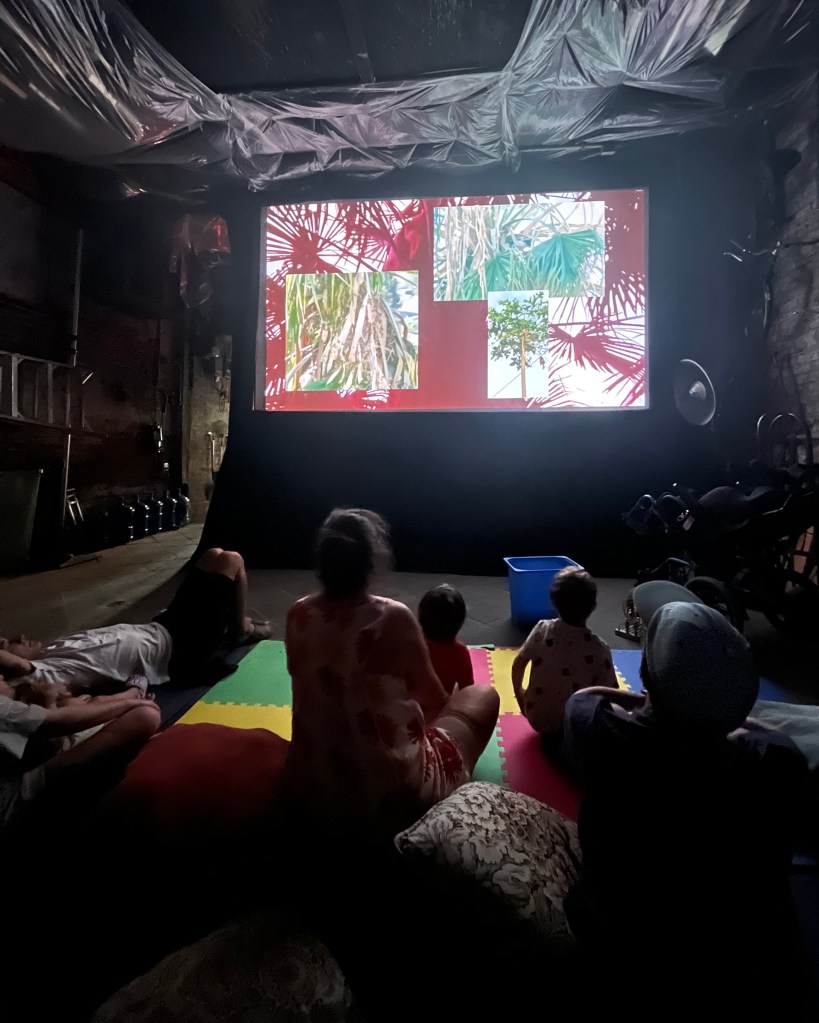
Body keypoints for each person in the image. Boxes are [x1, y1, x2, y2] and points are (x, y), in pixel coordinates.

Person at [562, 602, 810, 1012]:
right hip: (745, 968)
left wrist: (646, 701)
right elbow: (770, 736)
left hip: (623, 945)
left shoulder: (604, 734)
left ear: (647, 681)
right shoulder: (775, 763)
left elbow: (582, 697)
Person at [285, 508, 499, 834]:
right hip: (395, 801)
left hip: (312, 791)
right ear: (371, 561)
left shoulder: (298, 613)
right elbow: (435, 700)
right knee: (482, 695)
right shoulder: (391, 617)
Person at [0, 547, 269, 693]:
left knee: (213, 555)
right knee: (232, 561)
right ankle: (240, 629)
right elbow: (21, 670)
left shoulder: (53, 648)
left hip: (162, 626)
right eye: (10, 644)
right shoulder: (50, 671)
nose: (19, 637)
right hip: (180, 650)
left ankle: (238, 624)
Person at [0, 673, 159, 834]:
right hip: (14, 797)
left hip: (30, 761)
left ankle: (130, 696)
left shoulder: (14, 705)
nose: (1, 676)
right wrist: (132, 702)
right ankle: (133, 695)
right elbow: (52, 732)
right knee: (147, 716)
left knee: (84, 705)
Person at [511, 567, 616, 741]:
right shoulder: (599, 649)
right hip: (575, 726)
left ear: (553, 602)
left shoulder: (541, 630)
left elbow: (518, 664)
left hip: (537, 717)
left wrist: (520, 695)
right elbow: (611, 692)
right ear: (593, 606)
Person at [418, 583, 474, 694]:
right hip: (442, 702)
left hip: (411, 702)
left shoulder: (413, 645)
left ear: (420, 619)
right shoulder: (459, 652)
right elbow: (467, 688)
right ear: (460, 622)